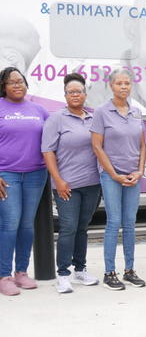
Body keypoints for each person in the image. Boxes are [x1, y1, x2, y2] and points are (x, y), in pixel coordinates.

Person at [41, 73, 101, 294]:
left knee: (83, 228)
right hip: (67, 184)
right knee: (68, 228)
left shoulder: (93, 118)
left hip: (92, 183)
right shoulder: (56, 118)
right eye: (70, 92)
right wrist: (58, 180)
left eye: (79, 91)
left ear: (85, 94)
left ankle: (80, 269)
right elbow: (47, 151)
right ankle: (63, 274)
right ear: (65, 95)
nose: (75, 95)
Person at [90, 69, 146, 291]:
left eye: (127, 83)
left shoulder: (136, 112)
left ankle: (129, 270)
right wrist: (113, 174)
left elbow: (142, 144)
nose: (124, 87)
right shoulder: (102, 112)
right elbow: (96, 146)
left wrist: (140, 171)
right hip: (112, 176)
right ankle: (109, 272)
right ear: (111, 86)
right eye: (119, 83)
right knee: (114, 222)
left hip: (133, 175)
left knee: (130, 223)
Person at [0, 67, 49, 296]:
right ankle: (4, 275)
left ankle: (21, 272)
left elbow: (54, 138)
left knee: (26, 224)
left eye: (20, 81)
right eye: (12, 82)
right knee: (10, 224)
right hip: (6, 175)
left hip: (35, 175)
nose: (17, 85)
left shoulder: (39, 110)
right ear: (4, 87)